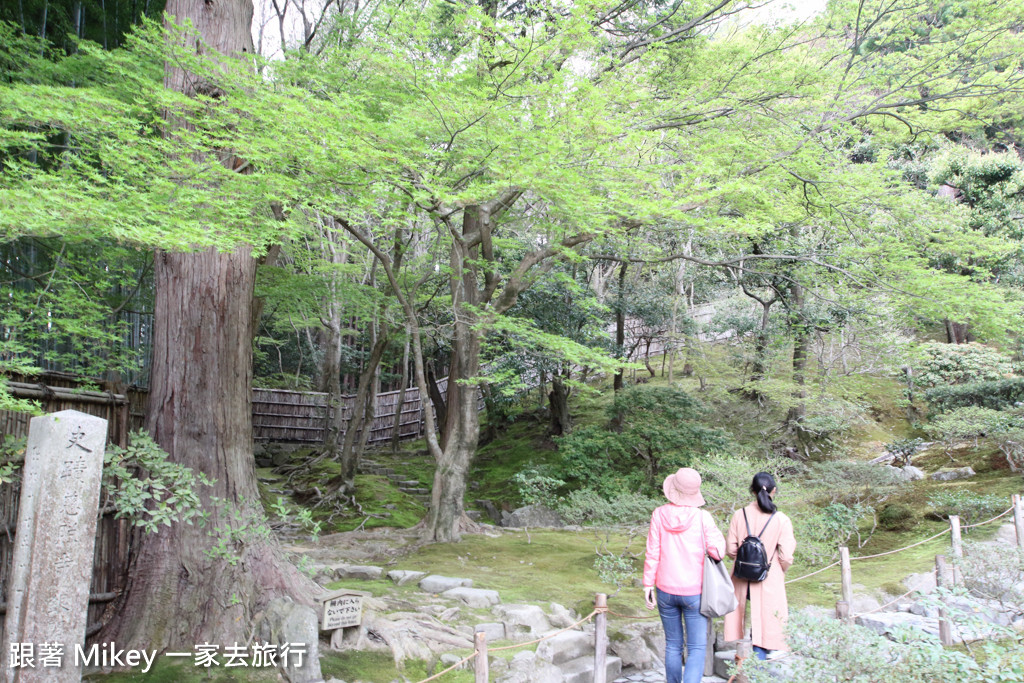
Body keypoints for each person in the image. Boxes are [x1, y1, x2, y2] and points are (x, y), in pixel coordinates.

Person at [643, 467, 726, 683]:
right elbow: (718, 552)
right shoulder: (703, 517)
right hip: (695, 592)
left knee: (673, 644)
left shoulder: (659, 514)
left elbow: (652, 552)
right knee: (697, 647)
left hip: (664, 589)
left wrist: (647, 585)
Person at [724, 472, 797, 660]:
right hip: (768, 576)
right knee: (766, 624)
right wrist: (779, 569)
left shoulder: (739, 515)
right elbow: (786, 556)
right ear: (774, 491)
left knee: (743, 619)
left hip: (742, 576)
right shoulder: (781, 519)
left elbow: (731, 550)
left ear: (752, 491)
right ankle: (759, 666)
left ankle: (747, 664)